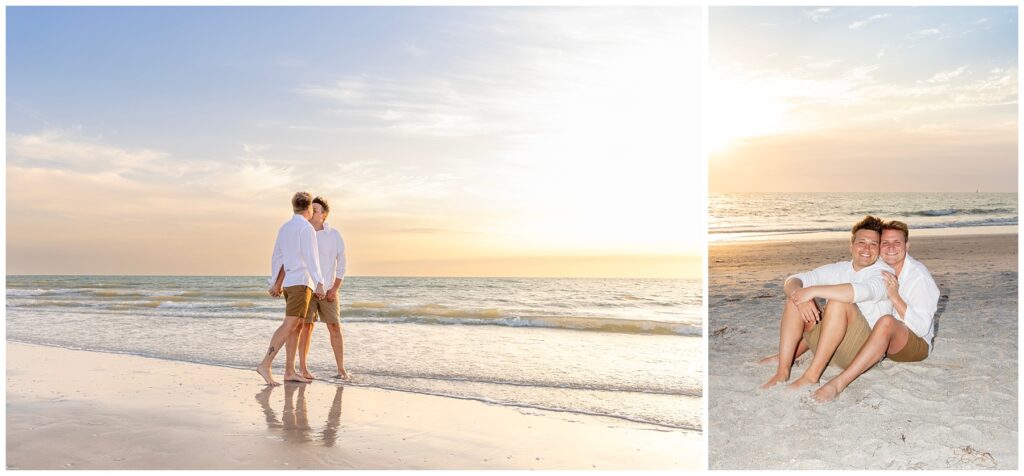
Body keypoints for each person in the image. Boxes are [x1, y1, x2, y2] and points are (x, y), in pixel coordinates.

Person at [812, 220, 939, 402]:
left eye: (897, 243)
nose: (891, 248)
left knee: (886, 321)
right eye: (885, 243)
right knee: (836, 309)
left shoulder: (919, 277)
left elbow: (922, 328)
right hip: (883, 338)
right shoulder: (878, 267)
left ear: (907, 246)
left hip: (915, 344)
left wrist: (895, 297)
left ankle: (838, 384)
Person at [761, 215, 894, 390]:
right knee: (795, 299)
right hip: (829, 348)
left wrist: (813, 291)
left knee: (838, 302)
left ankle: (811, 376)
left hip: (861, 352)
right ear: (851, 245)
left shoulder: (884, 272)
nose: (866, 249)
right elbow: (793, 280)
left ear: (879, 249)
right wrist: (799, 296)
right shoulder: (840, 269)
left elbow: (863, 291)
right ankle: (782, 371)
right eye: (861, 242)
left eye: (873, 244)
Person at [256, 192, 326, 386]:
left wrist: (275, 282)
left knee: (296, 327)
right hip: (301, 283)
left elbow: (277, 256)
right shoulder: (306, 229)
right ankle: (265, 364)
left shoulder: (285, 228)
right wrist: (320, 282)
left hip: (290, 283)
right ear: (309, 208)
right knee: (290, 325)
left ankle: (289, 371)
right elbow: (312, 258)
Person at [294, 196, 351, 381]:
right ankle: (303, 368)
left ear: (324, 215)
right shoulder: (303, 233)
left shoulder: (334, 235)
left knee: (334, 327)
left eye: (316, 209)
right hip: (308, 288)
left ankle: (341, 369)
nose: (312, 212)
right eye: (311, 208)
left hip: (328, 290)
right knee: (306, 327)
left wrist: (335, 288)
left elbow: (341, 263)